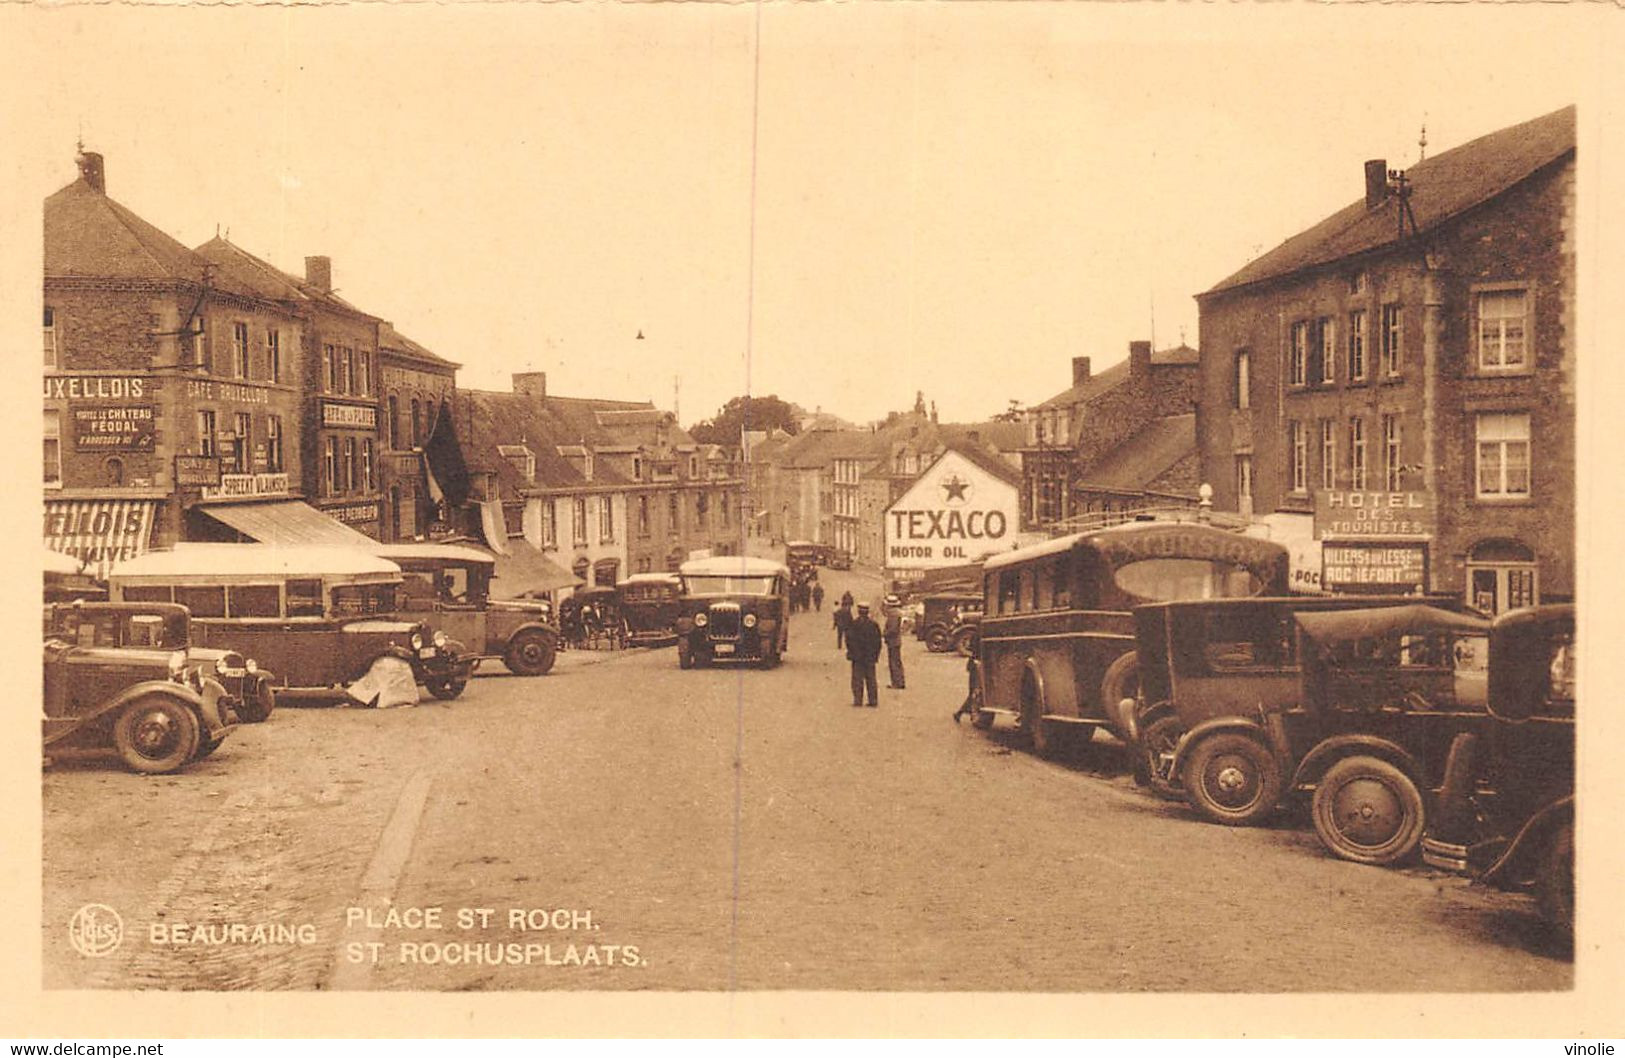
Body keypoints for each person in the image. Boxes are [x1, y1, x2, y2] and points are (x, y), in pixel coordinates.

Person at [846, 601, 882, 707]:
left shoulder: (853, 624)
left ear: (858, 611)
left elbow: (849, 640)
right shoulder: (874, 625)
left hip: (857, 658)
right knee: (871, 679)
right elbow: (878, 642)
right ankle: (873, 700)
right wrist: (875, 655)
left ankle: (858, 700)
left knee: (857, 679)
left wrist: (852, 653)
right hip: (870, 657)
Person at [882, 593, 906, 690]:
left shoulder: (892, 614)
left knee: (893, 662)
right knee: (897, 661)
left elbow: (892, 629)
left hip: (893, 641)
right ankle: (900, 681)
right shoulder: (897, 612)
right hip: (897, 640)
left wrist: (885, 634)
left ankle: (896, 682)